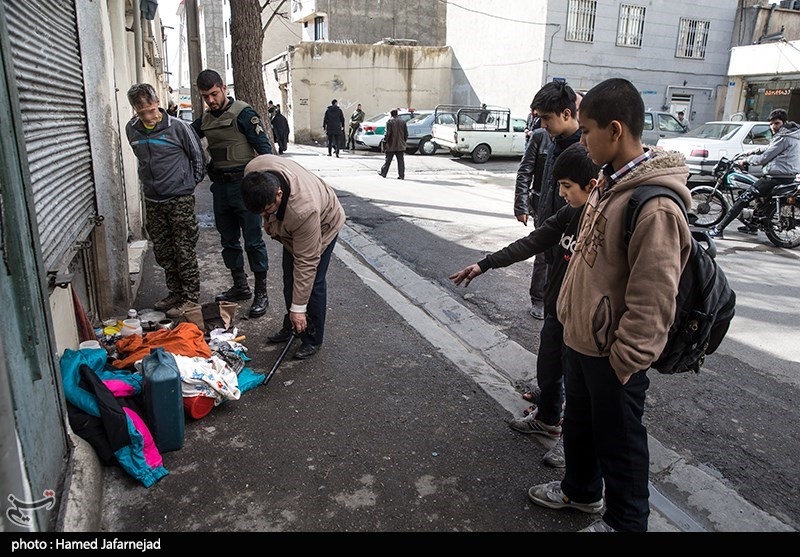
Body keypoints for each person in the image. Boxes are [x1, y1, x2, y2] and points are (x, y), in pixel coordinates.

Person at [527, 77, 692, 533]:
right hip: (581, 342)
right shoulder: (608, 182)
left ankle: (624, 524)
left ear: (615, 130)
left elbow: (653, 300)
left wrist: (625, 362)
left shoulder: (653, 205)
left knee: (620, 446)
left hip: (612, 356)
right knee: (580, 426)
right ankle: (580, 494)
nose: (581, 139)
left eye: (586, 130)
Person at [452, 143, 599, 469]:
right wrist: (484, 264)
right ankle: (547, 418)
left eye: (566, 187)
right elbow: (532, 242)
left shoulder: (603, 225)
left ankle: (571, 445)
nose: (561, 194)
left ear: (592, 186)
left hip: (583, 324)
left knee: (578, 388)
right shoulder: (569, 213)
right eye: (559, 186)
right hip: (556, 313)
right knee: (548, 371)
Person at [240, 155, 346, 360]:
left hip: (323, 224)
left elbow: (306, 263)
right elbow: (265, 208)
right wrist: (269, 217)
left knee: (311, 281)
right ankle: (292, 327)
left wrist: (298, 309)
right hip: (292, 225)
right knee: (289, 278)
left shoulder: (304, 211)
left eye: (267, 210)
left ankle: (311, 337)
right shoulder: (253, 170)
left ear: (278, 193)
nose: (263, 215)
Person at [191, 69, 272, 319]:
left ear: (224, 88)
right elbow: (185, 137)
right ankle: (240, 286)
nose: (211, 101)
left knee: (253, 241)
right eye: (206, 97)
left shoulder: (243, 114)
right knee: (228, 240)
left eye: (214, 94)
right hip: (221, 188)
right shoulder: (204, 120)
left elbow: (265, 150)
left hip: (244, 187)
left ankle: (261, 293)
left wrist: (265, 188)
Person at [125, 83, 206, 319]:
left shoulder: (178, 127)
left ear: (158, 102)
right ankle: (175, 293)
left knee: (184, 250)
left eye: (151, 110)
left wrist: (188, 186)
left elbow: (198, 157)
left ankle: (190, 299)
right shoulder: (132, 130)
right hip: (153, 199)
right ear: (134, 111)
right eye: (142, 113)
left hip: (179, 198)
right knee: (163, 251)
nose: (148, 117)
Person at [528, 81, 582, 319]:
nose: (542, 124)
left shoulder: (585, 149)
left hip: (571, 248)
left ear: (567, 113)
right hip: (549, 232)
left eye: (546, 117)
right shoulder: (551, 141)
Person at [709, 108, 800, 238]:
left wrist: (746, 161)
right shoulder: (793, 135)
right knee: (759, 199)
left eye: (777, 123)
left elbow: (764, 158)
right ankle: (751, 225)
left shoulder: (783, 137)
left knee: (742, 199)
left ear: (784, 122)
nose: (773, 126)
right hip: (788, 177)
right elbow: (771, 148)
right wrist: (752, 151)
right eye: (771, 123)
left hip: (775, 178)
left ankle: (718, 229)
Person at [514, 109, 553, 320]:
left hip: (570, 205)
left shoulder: (580, 139)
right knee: (543, 254)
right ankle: (538, 298)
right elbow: (525, 171)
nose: (543, 123)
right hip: (542, 205)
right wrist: (521, 205)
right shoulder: (540, 136)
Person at [378, 108, 408, 180]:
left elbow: (387, 133)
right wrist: (404, 141)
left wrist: (385, 141)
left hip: (391, 144)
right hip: (400, 145)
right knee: (400, 161)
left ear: (391, 114)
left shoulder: (390, 122)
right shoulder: (403, 122)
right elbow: (406, 134)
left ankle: (384, 173)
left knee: (388, 160)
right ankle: (401, 175)